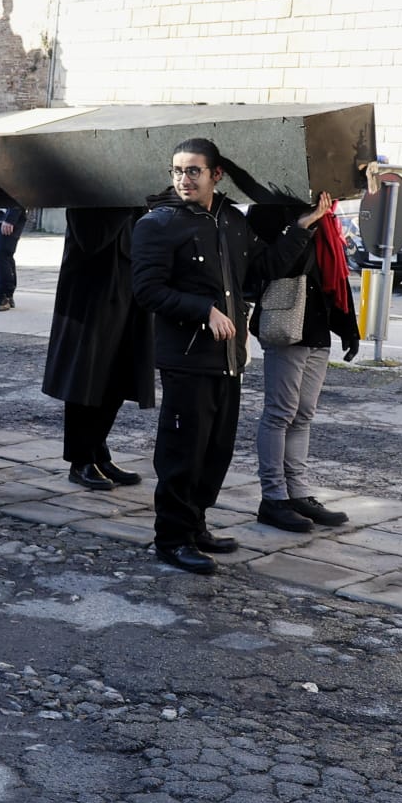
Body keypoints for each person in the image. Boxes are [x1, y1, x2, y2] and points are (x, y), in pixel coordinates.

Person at [131, 138, 328, 575]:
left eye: (194, 171)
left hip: (229, 358)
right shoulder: (158, 224)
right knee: (182, 451)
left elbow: (264, 267)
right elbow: (147, 290)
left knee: (215, 450)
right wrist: (203, 310)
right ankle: (172, 538)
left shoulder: (231, 221)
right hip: (186, 358)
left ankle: (196, 525)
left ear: (216, 175)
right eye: (178, 170)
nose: (184, 179)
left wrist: (303, 226)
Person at [246, 203, 360, 533]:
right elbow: (273, 267)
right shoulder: (267, 213)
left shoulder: (329, 219)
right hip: (285, 327)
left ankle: (298, 492)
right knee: (280, 413)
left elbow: (333, 277)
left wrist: (348, 329)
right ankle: (273, 498)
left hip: (316, 329)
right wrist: (303, 224)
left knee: (303, 414)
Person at [43, 210, 154, 492]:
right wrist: (127, 203)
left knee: (117, 376)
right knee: (86, 380)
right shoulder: (86, 195)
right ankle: (81, 460)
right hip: (90, 298)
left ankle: (98, 451)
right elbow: (92, 240)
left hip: (127, 290)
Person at [0, 204, 27, 312]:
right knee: (4, 257)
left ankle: (4, 296)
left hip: (7, 218)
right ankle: (7, 295)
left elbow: (18, 197)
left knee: (2, 256)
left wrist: (10, 219)